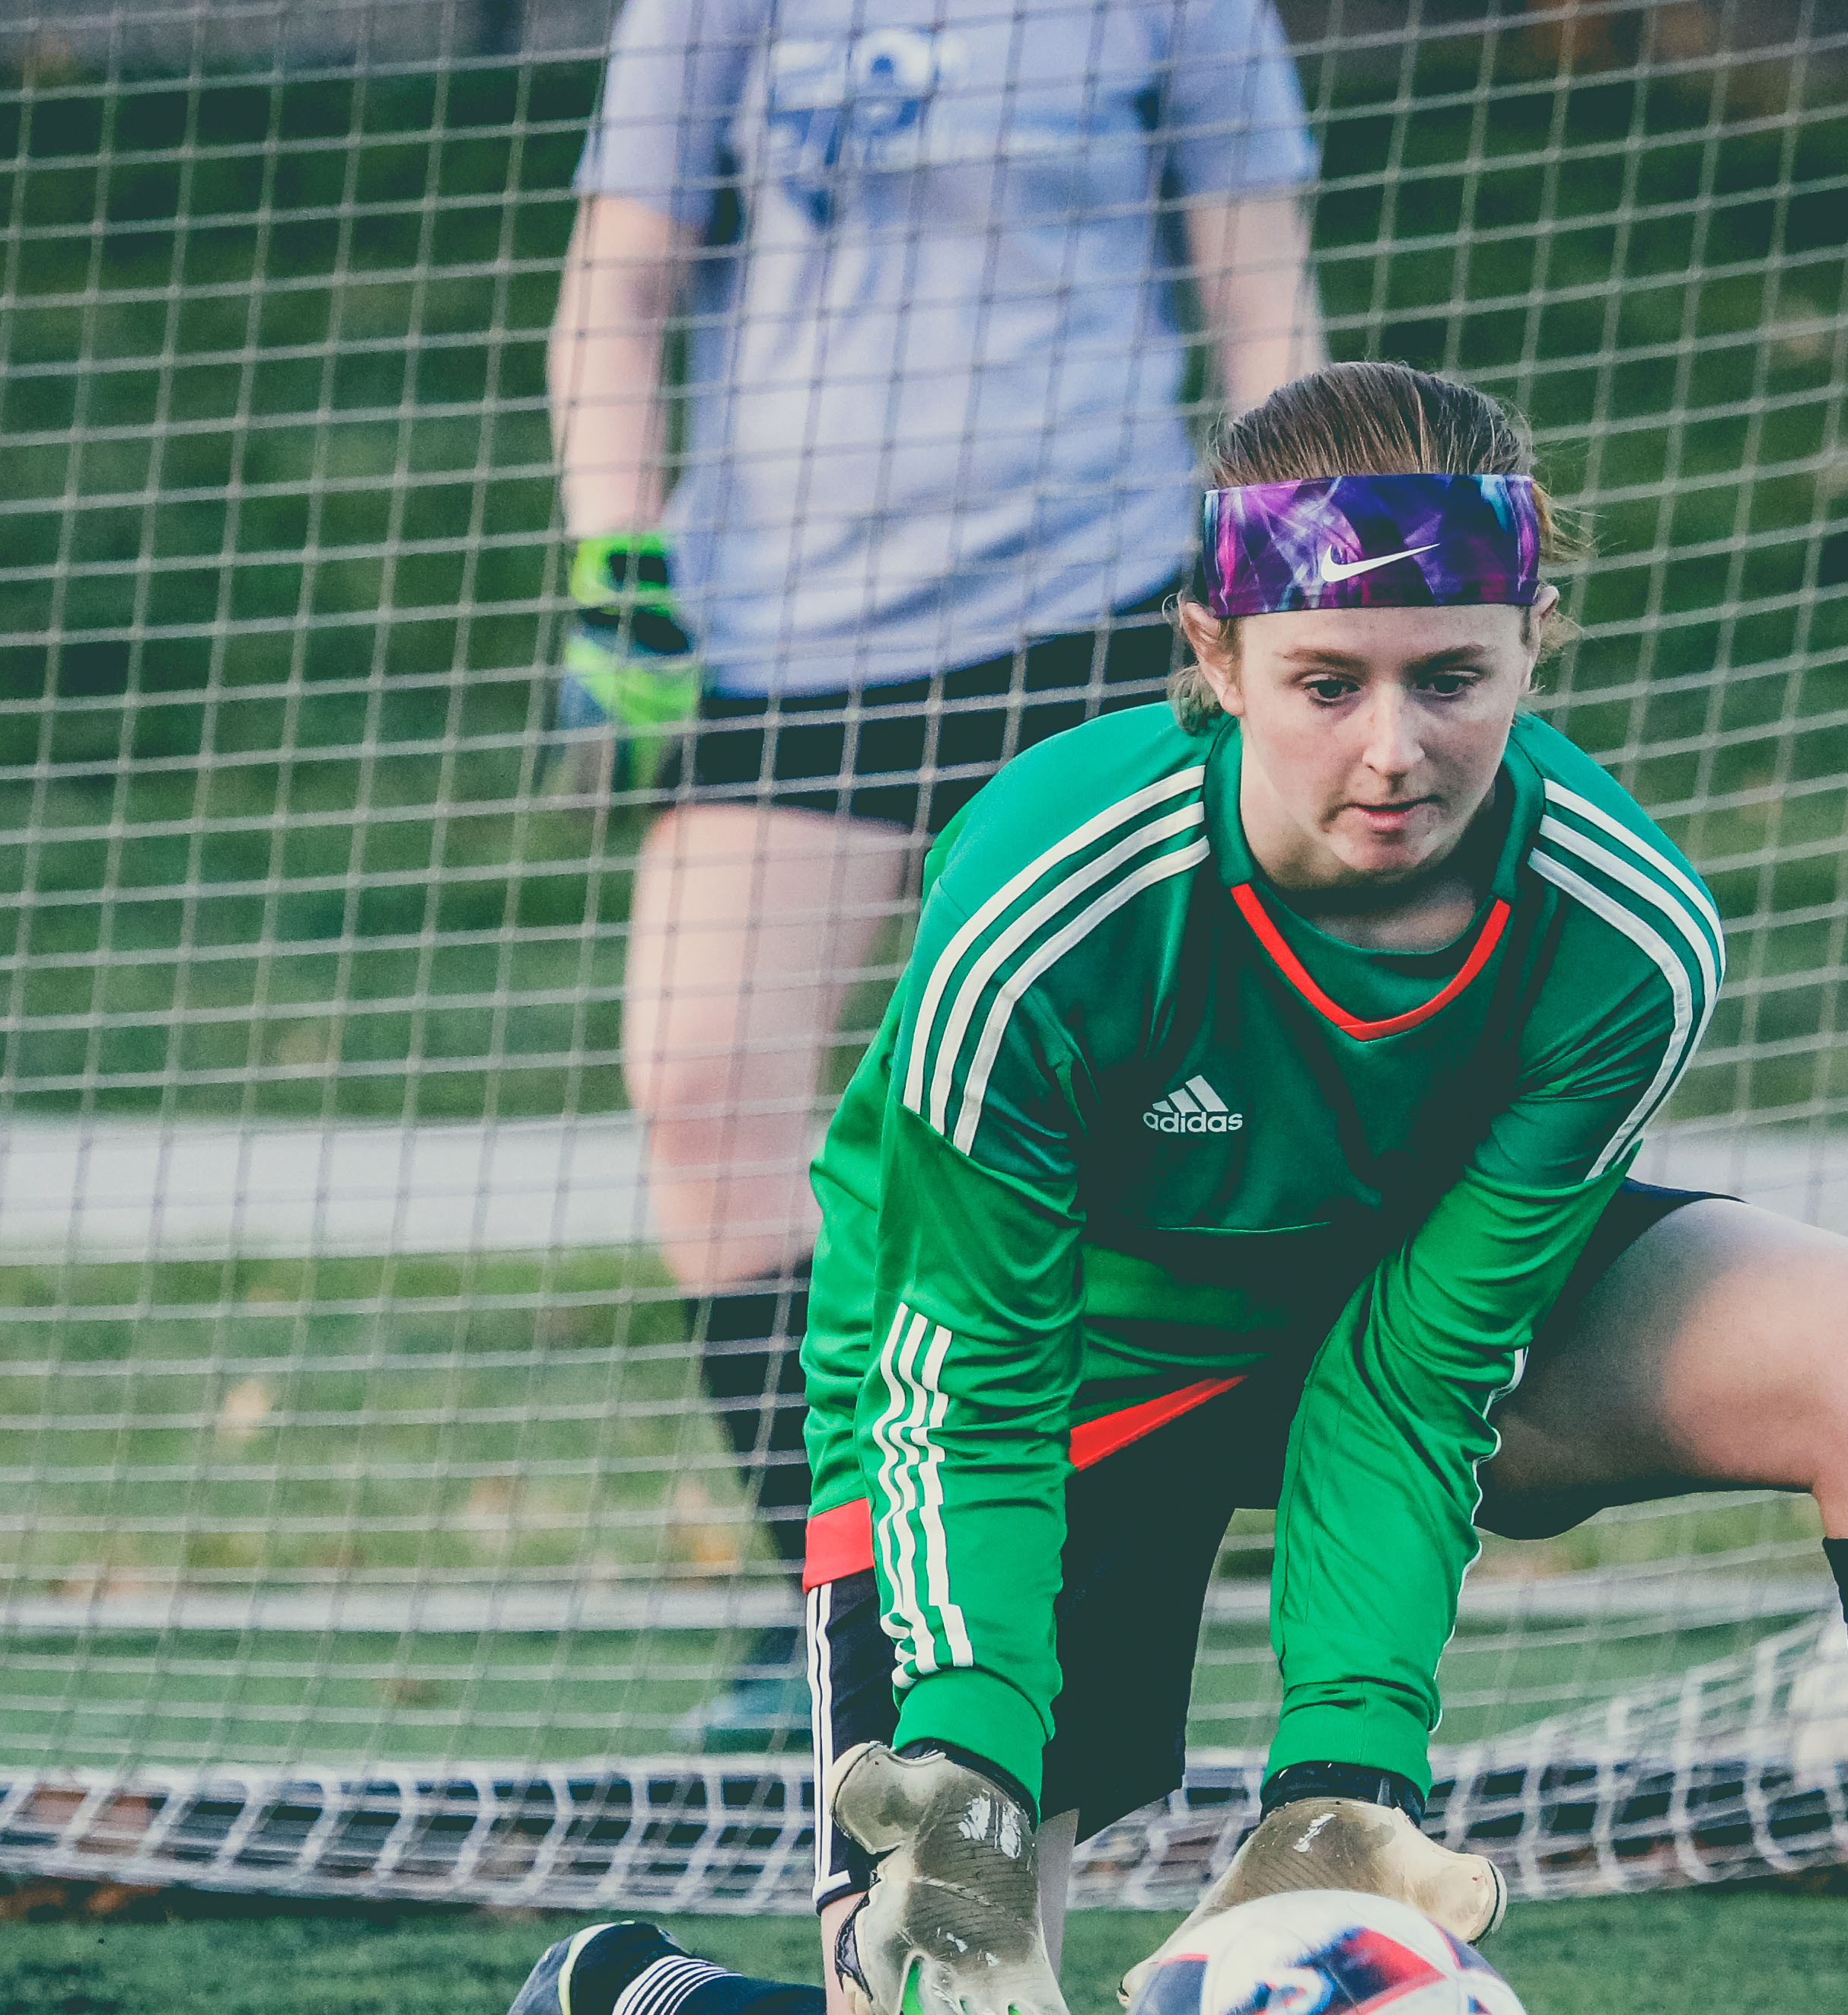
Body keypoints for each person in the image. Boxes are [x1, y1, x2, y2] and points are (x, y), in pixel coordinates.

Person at [397, 364, 1848, 2015]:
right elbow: (955, 1382)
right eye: (1326, 682)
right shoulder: (1045, 899)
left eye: (1449, 678)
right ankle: (608, 2010)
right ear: (1216, 657)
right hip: (1048, 1388)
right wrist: (970, 1772)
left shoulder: (1621, 931)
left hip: (1381, 1335)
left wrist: (1343, 1777)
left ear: (1531, 651)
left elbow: (1413, 1383)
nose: (1391, 746)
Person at [548, 0, 1330, 1743]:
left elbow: (1256, 286)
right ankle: (830, 1603)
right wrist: (618, 550)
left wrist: (1286, 567)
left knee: (1144, 1112)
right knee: (698, 1086)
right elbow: (617, 280)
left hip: (1088, 605)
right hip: (783, 631)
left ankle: (1136, 1560)